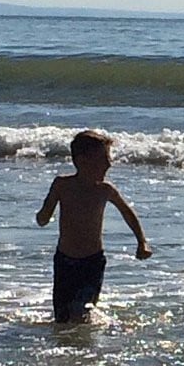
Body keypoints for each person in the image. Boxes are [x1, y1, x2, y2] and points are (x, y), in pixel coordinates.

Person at [36, 130, 152, 323]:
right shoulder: (62, 185)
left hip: (93, 262)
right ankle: (65, 349)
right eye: (103, 159)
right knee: (62, 317)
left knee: (82, 312)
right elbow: (45, 214)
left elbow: (127, 213)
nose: (109, 164)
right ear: (82, 160)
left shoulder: (105, 190)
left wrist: (142, 242)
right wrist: (42, 217)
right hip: (65, 261)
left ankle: (84, 347)